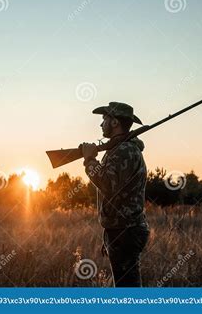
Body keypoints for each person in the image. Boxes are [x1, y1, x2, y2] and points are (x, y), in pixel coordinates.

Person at [80, 102, 150, 287]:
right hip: (120, 229)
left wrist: (89, 160)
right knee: (126, 285)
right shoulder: (119, 149)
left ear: (115, 123)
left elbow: (108, 184)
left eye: (104, 119)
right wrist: (110, 235)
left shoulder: (125, 151)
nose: (101, 124)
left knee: (128, 290)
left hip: (125, 230)